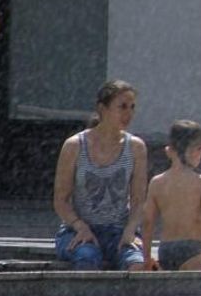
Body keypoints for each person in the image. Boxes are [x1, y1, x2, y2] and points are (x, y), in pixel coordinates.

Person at [52, 80, 148, 271]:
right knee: (87, 258)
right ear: (102, 109)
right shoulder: (74, 146)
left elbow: (139, 200)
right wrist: (80, 226)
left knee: (136, 263)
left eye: (132, 107)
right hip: (78, 230)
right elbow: (60, 200)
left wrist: (130, 230)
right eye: (122, 107)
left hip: (118, 230)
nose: (128, 114)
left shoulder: (136, 147)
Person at [142, 120, 201, 271]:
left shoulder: (157, 182)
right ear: (194, 151)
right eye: (200, 149)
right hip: (191, 247)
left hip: (166, 248)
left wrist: (146, 257)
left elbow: (148, 222)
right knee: (192, 290)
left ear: (169, 150)